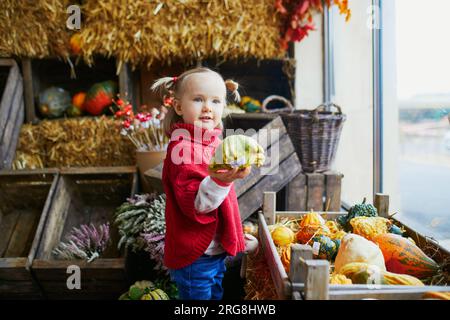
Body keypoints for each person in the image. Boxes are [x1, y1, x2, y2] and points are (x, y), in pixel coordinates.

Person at [151, 67, 257, 300]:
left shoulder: (211, 143)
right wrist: (220, 180)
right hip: (195, 255)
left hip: (212, 252)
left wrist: (235, 232)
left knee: (215, 294)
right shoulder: (182, 150)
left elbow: (224, 201)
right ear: (179, 107)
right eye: (198, 99)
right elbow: (198, 205)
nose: (208, 107)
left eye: (216, 101)